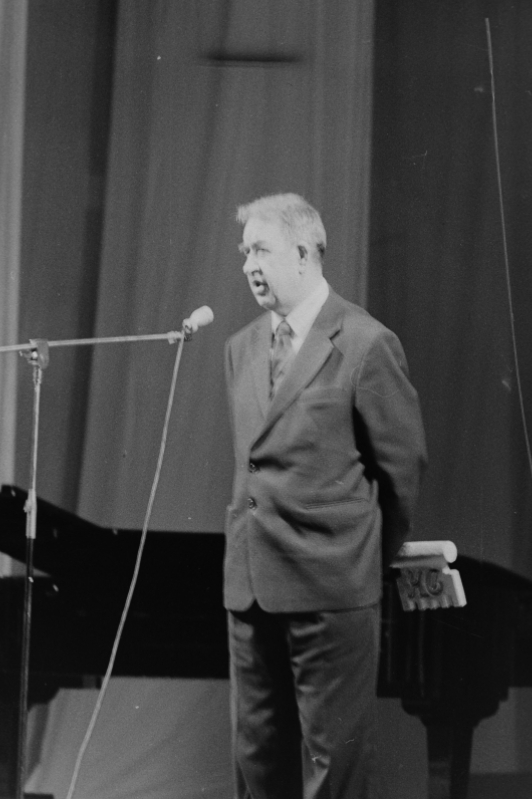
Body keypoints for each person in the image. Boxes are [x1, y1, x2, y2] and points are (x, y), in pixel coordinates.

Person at [223, 193, 427, 799]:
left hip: (332, 591)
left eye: (261, 250)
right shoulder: (240, 348)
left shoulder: (366, 343)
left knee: (332, 771)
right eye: (244, 252)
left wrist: (357, 561)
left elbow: (402, 472)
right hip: (250, 589)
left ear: (304, 253)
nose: (248, 265)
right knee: (257, 766)